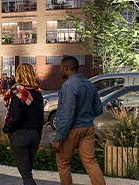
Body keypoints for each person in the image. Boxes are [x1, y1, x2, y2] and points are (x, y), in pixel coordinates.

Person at [53, 56, 105, 185]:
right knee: (90, 161)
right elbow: (99, 109)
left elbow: (67, 113)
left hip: (71, 130)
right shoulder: (89, 84)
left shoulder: (68, 86)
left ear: (67, 68)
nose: (60, 70)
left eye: (61, 68)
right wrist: (85, 115)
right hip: (88, 128)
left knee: (63, 162)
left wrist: (59, 138)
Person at [2, 63, 44, 185]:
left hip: (19, 135)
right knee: (27, 173)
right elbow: (40, 119)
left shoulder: (17, 92)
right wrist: (38, 136)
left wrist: (6, 128)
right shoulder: (38, 93)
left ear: (19, 74)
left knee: (26, 176)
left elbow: (16, 117)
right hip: (34, 135)